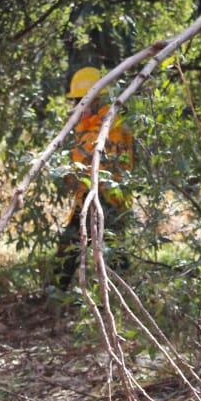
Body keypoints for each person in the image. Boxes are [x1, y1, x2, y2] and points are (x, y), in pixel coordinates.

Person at [55, 66, 134, 289]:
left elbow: (109, 165)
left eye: (81, 100)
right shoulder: (86, 123)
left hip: (108, 199)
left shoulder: (112, 126)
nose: (77, 105)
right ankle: (55, 292)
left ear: (97, 99)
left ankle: (123, 293)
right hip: (86, 197)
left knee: (111, 251)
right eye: (76, 101)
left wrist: (77, 178)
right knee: (70, 246)